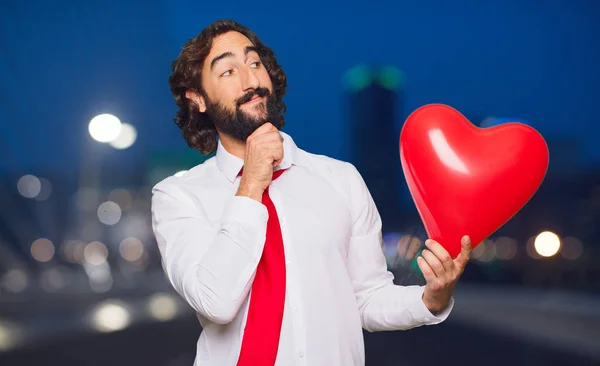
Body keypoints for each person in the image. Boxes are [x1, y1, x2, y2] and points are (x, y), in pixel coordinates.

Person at [151, 19, 472, 366]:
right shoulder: (177, 196)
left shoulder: (340, 179)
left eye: (255, 63)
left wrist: (431, 300)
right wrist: (251, 184)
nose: (251, 80)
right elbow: (216, 301)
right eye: (228, 71)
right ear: (197, 98)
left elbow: (366, 298)